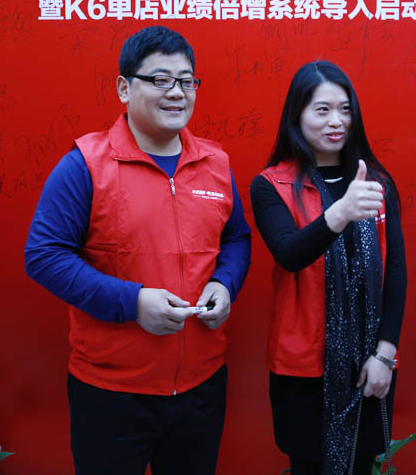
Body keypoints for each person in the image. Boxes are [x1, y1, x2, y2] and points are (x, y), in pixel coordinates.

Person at [24, 26, 251, 475]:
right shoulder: (85, 165)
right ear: (124, 88)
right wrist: (132, 302)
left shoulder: (215, 164)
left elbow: (236, 238)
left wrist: (225, 284)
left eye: (186, 81)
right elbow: (45, 255)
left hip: (201, 385)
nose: (177, 93)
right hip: (111, 391)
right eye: (160, 80)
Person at [250, 61, 407, 475]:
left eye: (345, 109)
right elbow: (289, 253)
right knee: (306, 464)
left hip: (368, 365)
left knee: (361, 462)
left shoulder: (377, 184)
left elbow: (395, 273)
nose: (336, 121)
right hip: (302, 370)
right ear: (297, 115)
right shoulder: (271, 185)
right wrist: (341, 212)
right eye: (322, 110)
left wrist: (385, 355)